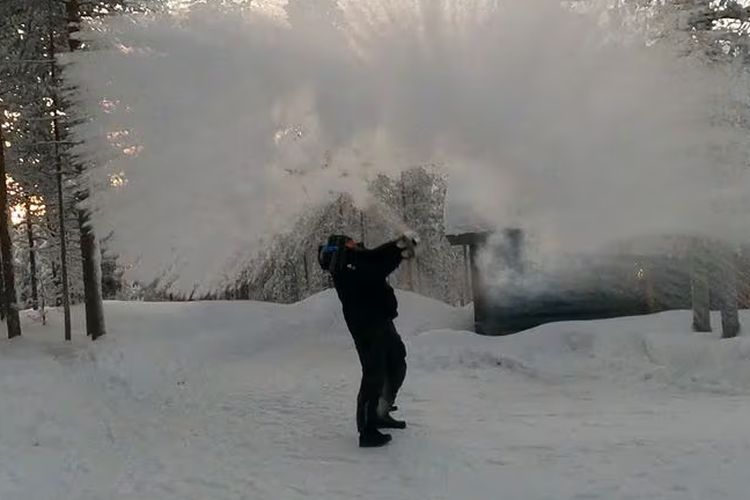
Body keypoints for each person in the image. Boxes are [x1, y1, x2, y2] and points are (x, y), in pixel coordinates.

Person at [318, 232, 418, 448]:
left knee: (397, 363)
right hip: (366, 326)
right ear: (344, 245)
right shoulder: (345, 264)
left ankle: (381, 411)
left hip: (382, 321)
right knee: (374, 373)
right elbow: (375, 268)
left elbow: (374, 256)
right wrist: (399, 251)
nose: (355, 243)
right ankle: (367, 429)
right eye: (351, 241)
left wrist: (398, 244)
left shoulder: (355, 259)